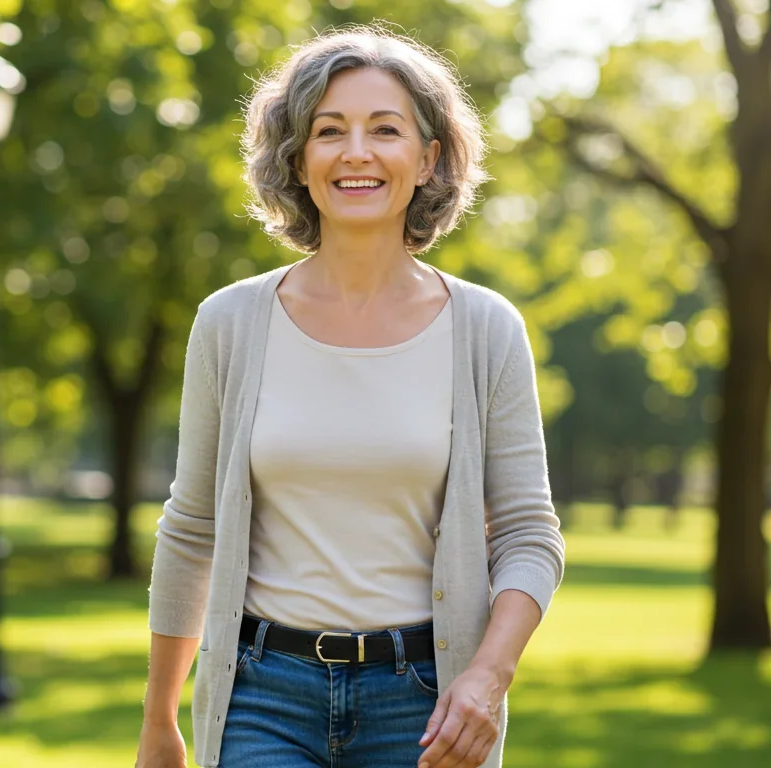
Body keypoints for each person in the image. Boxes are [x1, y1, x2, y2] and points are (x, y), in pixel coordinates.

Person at [134, 26, 566, 768]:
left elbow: (529, 534)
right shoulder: (229, 323)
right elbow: (192, 527)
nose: (356, 152)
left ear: (428, 158)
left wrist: (487, 678)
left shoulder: (486, 330)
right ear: (298, 159)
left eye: (385, 129)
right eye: (329, 131)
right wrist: (159, 721)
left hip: (424, 703)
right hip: (261, 697)